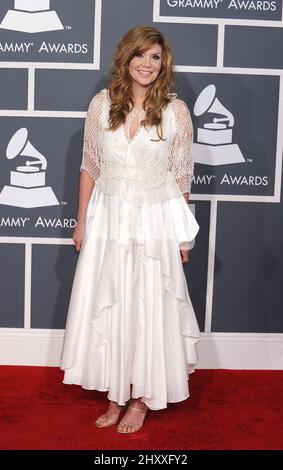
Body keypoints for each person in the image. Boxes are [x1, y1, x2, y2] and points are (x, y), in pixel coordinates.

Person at [60, 25, 200, 434]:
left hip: (155, 218)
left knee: (148, 304)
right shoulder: (101, 105)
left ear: (164, 64)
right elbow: (90, 167)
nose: (147, 64)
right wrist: (81, 221)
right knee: (114, 301)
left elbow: (181, 180)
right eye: (141, 55)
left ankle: (140, 399)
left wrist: (181, 234)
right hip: (108, 217)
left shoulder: (176, 112)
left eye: (155, 57)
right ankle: (114, 394)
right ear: (126, 58)